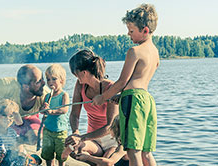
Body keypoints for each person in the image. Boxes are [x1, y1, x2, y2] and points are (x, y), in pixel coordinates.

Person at [92, 4, 159, 166]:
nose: (128, 34)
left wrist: (103, 97)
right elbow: (140, 82)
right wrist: (120, 97)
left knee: (132, 150)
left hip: (133, 101)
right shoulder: (155, 53)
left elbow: (122, 82)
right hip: (147, 101)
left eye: (131, 31)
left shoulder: (134, 52)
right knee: (146, 151)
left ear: (145, 30)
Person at [65, 49, 119, 165]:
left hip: (112, 140)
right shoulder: (80, 85)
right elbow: (74, 114)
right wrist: (76, 133)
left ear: (84, 72)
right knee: (75, 149)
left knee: (106, 161)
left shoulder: (110, 87)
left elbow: (109, 127)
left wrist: (82, 138)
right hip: (93, 140)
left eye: (75, 73)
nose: (75, 76)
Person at [0, 64, 49, 145]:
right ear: (25, 86)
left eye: (42, 79)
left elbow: (57, 114)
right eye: (38, 81)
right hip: (3, 117)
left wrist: (47, 111)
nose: (44, 83)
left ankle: (12, 144)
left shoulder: (45, 93)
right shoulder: (6, 85)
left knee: (35, 137)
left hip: (26, 119)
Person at [40, 64, 70, 166]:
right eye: (48, 79)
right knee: (48, 154)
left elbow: (64, 109)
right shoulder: (47, 96)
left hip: (60, 131)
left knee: (61, 156)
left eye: (54, 79)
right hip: (48, 130)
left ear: (61, 80)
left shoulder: (64, 95)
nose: (50, 82)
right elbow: (42, 111)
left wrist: (52, 111)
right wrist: (43, 109)